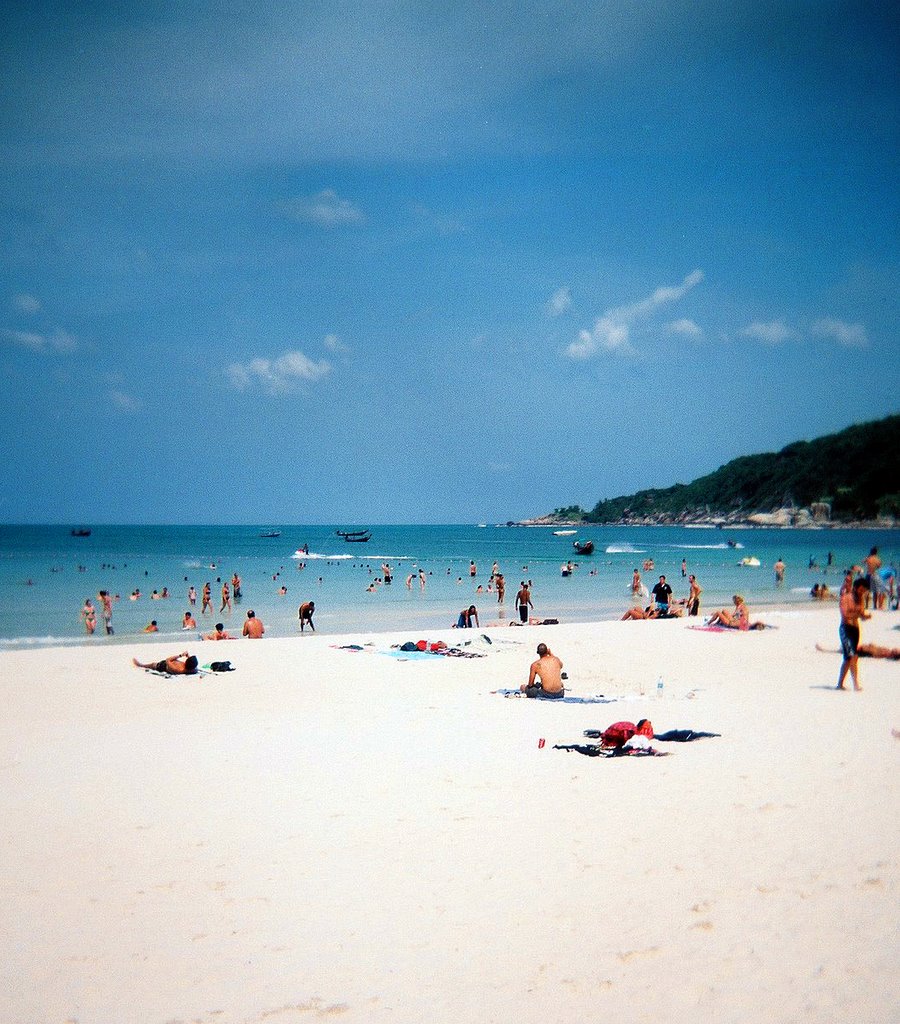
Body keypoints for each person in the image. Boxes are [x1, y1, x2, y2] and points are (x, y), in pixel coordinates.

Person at [837, 577, 870, 691]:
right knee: (852, 656)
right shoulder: (846, 598)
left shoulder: (861, 599)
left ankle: (840, 684)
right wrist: (858, 615)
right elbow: (845, 615)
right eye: (861, 590)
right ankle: (856, 684)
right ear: (855, 588)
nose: (862, 593)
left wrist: (865, 616)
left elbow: (861, 614)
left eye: (864, 591)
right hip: (845, 629)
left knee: (848, 658)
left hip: (855, 629)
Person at [132, 651, 199, 675]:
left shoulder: (178, 669)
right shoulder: (193, 669)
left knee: (153, 664)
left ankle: (140, 665)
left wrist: (181, 655)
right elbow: (192, 664)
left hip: (163, 666)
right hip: (171, 664)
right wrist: (188, 656)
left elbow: (168, 660)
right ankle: (141, 664)